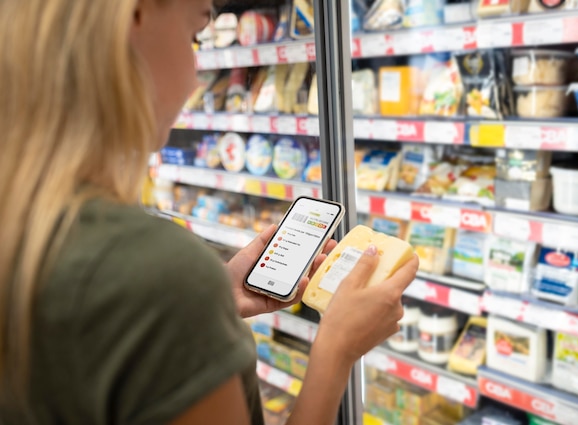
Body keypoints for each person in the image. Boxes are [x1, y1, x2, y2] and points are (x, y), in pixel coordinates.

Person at [0, 0, 420, 424]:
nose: (194, 76)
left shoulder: (27, 223)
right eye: (193, 36)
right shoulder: (151, 269)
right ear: (133, 20)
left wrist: (213, 297)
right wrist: (338, 348)